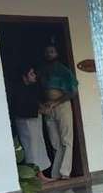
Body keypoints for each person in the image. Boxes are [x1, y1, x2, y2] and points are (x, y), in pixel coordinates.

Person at [38, 44, 79, 181]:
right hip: (48, 107)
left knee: (66, 139)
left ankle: (65, 172)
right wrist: (43, 105)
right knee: (55, 142)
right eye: (47, 52)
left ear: (57, 53)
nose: (49, 54)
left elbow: (72, 91)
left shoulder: (64, 71)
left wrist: (56, 102)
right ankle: (56, 174)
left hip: (62, 106)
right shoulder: (42, 71)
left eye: (52, 52)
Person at [11, 65, 51, 179]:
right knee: (31, 148)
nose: (35, 76)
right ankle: (35, 176)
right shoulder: (17, 89)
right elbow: (20, 107)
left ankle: (41, 174)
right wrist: (38, 109)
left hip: (35, 121)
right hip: (26, 122)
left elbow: (35, 101)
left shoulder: (31, 87)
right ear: (24, 76)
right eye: (32, 74)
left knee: (38, 146)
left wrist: (42, 106)